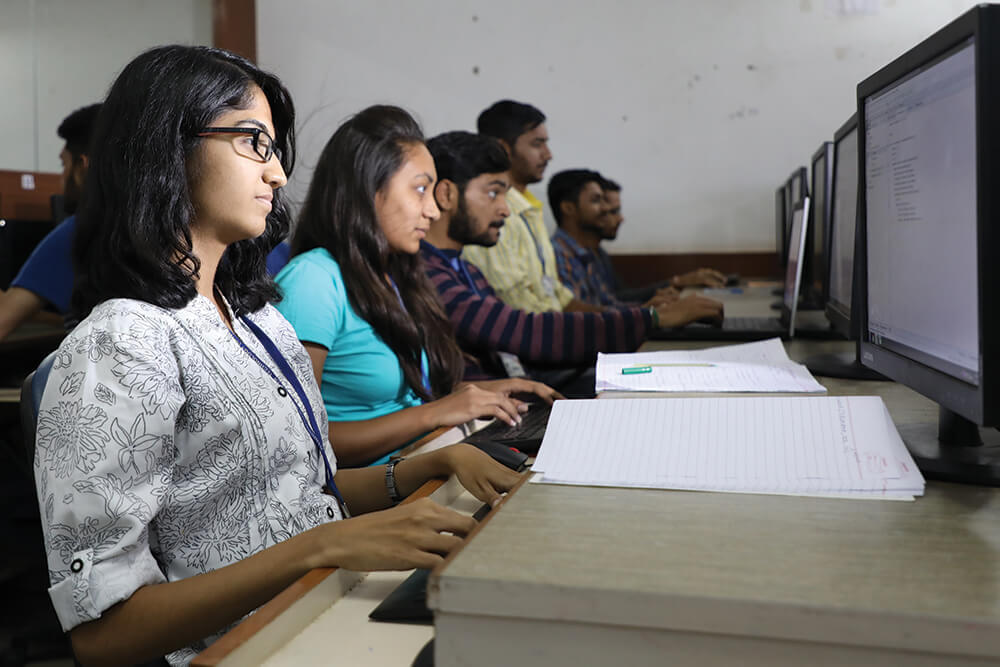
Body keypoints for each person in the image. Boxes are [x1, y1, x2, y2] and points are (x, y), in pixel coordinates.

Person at [34, 45, 520, 667]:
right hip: (246, 645)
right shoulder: (121, 342)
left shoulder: (256, 319)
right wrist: (321, 547)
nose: (278, 175)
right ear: (167, 146)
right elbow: (104, 637)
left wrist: (427, 469)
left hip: (316, 604)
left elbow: (289, 496)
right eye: (253, 143)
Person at [275, 105, 559, 467]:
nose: (434, 211)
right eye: (420, 190)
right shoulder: (313, 280)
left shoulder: (393, 276)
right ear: (368, 189)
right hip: (377, 491)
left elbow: (401, 403)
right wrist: (438, 411)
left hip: (427, 460)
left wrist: (473, 394)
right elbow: (299, 441)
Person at [421, 131, 725, 388]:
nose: (505, 209)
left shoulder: (467, 270)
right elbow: (522, 332)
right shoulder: (425, 274)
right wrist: (652, 319)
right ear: (446, 194)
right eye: (492, 194)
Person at [461, 100, 601, 314]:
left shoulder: (529, 208)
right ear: (503, 148)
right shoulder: (493, 213)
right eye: (537, 144)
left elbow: (557, 296)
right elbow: (515, 304)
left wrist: (631, 316)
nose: (548, 154)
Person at [0, 103, 100, 341]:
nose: (62, 177)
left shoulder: (79, 232)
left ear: (81, 167)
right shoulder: (167, 228)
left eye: (63, 164)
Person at [548, 169, 681, 309]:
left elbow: (608, 303)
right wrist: (645, 312)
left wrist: (648, 308)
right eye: (596, 200)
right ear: (568, 208)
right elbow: (578, 321)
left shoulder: (586, 252)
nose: (605, 208)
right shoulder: (558, 255)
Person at [596, 177, 727, 303]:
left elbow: (621, 297)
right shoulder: (582, 258)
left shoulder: (599, 253)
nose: (621, 218)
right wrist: (676, 283)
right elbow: (612, 302)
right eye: (613, 211)